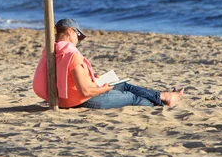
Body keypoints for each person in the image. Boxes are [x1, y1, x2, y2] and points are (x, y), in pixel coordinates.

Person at [33, 18, 184, 109]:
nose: (78, 40)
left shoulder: (52, 50)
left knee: (124, 85)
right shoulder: (71, 55)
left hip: (63, 98)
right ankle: (162, 103)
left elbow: (64, 76)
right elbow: (85, 92)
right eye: (78, 35)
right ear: (70, 32)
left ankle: (163, 95)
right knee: (131, 97)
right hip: (83, 100)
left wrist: (90, 77)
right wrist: (104, 88)